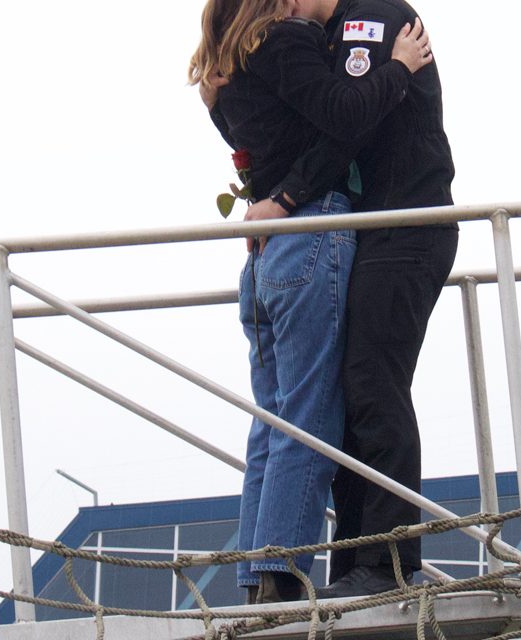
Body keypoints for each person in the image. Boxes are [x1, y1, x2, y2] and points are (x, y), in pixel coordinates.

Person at [188, 0, 433, 604]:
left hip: (268, 253)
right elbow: (344, 117)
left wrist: (268, 186)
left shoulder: (232, 66)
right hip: (309, 230)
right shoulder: (289, 40)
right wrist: (398, 67)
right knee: (310, 414)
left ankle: (260, 579)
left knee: (271, 421)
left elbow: (263, 134)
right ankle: (285, 576)